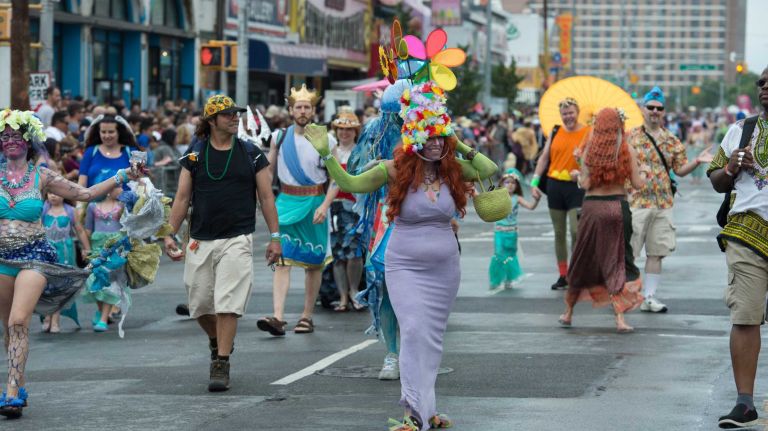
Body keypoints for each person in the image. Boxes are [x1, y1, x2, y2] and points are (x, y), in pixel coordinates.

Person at [304, 80, 498, 431]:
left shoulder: (453, 168)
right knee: (411, 330)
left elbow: (488, 170)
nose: (437, 143)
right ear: (414, 138)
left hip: (444, 267)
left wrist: (455, 138)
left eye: (442, 137)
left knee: (432, 337)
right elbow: (349, 184)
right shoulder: (393, 170)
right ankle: (413, 411)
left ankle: (428, 409)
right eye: (431, 136)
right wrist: (326, 153)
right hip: (404, 264)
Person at [0, 109, 139, 418]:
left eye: (16, 136)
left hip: (34, 258)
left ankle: (10, 393)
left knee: (19, 321)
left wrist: (122, 176)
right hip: (1, 261)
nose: (9, 142)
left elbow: (85, 193)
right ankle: (18, 382)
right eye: (4, 136)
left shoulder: (42, 176)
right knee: (8, 330)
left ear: (28, 141)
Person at [163, 94, 281, 392]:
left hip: (237, 238)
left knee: (228, 303)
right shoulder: (194, 155)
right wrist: (169, 233)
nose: (234, 118)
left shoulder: (252, 153)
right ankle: (217, 340)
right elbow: (181, 198)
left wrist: (275, 237)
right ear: (212, 121)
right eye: (228, 114)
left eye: (235, 113)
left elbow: (266, 198)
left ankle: (222, 362)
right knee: (200, 304)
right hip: (200, 238)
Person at [707, 68, 768, 429]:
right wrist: (730, 167)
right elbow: (716, 181)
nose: (765, 87)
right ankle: (745, 403)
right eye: (761, 82)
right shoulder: (740, 130)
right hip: (746, 235)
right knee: (745, 315)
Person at [558, 108, 648, 333]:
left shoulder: (589, 150)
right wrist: (644, 172)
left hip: (592, 209)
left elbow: (586, 184)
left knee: (582, 259)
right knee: (616, 260)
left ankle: (568, 312)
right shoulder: (627, 149)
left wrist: (579, 174)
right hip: (617, 208)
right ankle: (619, 319)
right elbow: (638, 184)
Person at [257, 85, 335, 336]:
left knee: (314, 264)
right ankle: (278, 317)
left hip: (314, 203)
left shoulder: (326, 139)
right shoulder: (279, 137)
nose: (302, 111)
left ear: (313, 110)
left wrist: (325, 205)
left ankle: (306, 316)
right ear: (290, 110)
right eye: (298, 107)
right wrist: (263, 195)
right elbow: (269, 170)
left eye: (307, 107)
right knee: (282, 260)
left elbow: (336, 178)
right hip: (286, 203)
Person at [627, 87, 711, 313]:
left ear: (664, 111)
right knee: (629, 253)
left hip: (663, 204)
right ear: (643, 109)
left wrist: (697, 162)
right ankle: (623, 294)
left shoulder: (671, 140)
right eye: (650, 107)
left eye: (659, 108)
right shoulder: (630, 136)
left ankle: (649, 297)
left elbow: (680, 170)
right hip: (636, 202)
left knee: (656, 252)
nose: (654, 111)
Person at [531, 98, 592, 290]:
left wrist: (580, 168)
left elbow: (592, 161)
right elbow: (544, 157)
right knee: (559, 233)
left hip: (576, 186)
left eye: (571, 113)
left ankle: (576, 271)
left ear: (577, 112)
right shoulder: (556, 131)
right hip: (554, 185)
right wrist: (534, 181)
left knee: (576, 231)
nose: (568, 117)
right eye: (564, 114)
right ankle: (563, 275)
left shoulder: (587, 132)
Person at [327, 111, 365, 311]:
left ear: (355, 131)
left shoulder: (361, 151)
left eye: (349, 129)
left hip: (355, 207)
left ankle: (354, 291)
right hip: (335, 207)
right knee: (337, 254)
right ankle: (342, 296)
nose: (344, 133)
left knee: (355, 253)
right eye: (341, 129)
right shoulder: (330, 151)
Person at [41, 192, 90, 333]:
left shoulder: (70, 210)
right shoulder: (43, 209)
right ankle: (47, 316)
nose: (53, 196)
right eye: (50, 193)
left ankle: (55, 318)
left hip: (64, 251)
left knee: (60, 285)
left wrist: (87, 248)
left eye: (56, 193)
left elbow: (79, 230)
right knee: (44, 283)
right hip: (46, 251)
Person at [81, 188, 124, 332]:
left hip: (115, 250)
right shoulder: (92, 206)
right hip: (97, 249)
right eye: (118, 187)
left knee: (109, 281)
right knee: (93, 281)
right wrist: (86, 248)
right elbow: (87, 229)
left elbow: (127, 227)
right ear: (108, 190)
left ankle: (104, 318)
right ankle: (101, 312)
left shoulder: (121, 206)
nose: (121, 190)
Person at [489, 168, 539, 290]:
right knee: (498, 254)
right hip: (499, 231)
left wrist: (536, 200)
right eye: (507, 182)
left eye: (513, 183)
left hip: (512, 233)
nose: (510, 185)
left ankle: (508, 279)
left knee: (509, 256)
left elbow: (531, 207)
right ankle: (496, 279)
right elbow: (488, 206)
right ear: (501, 183)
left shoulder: (517, 198)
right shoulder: (498, 196)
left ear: (516, 185)